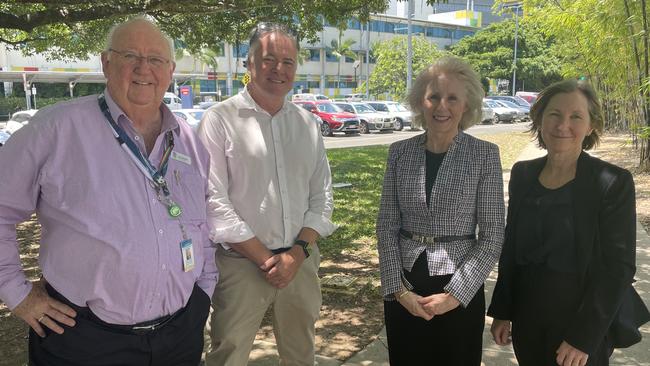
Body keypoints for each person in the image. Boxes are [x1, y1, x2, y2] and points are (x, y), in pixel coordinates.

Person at [0, 17, 217, 366]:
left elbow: (201, 222)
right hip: (83, 339)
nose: (144, 68)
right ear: (106, 63)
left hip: (180, 332)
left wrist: (204, 288)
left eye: (156, 59)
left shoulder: (189, 142)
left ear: (170, 70)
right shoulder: (53, 130)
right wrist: (17, 294)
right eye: (130, 55)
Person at [197, 22, 336, 366]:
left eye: (288, 61)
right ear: (249, 63)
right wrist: (265, 258)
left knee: (301, 353)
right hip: (242, 265)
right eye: (269, 59)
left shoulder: (307, 124)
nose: (279, 69)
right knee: (227, 355)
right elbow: (212, 200)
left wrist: (296, 254)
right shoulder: (219, 120)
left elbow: (322, 197)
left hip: (300, 263)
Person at [488, 79, 639, 366]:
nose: (562, 125)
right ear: (540, 118)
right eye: (554, 114)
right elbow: (511, 250)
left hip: (580, 324)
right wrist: (503, 310)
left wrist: (583, 337)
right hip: (528, 319)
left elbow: (618, 267)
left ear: (591, 125)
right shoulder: (523, 174)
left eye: (576, 117)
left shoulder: (611, 182)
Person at [376, 56, 505, 365]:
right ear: (421, 101)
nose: (441, 106)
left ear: (466, 106)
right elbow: (386, 226)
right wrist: (398, 290)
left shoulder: (484, 155)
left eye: (452, 98)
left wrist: (454, 296)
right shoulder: (399, 153)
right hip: (405, 289)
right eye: (434, 96)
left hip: (459, 288)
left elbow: (492, 236)